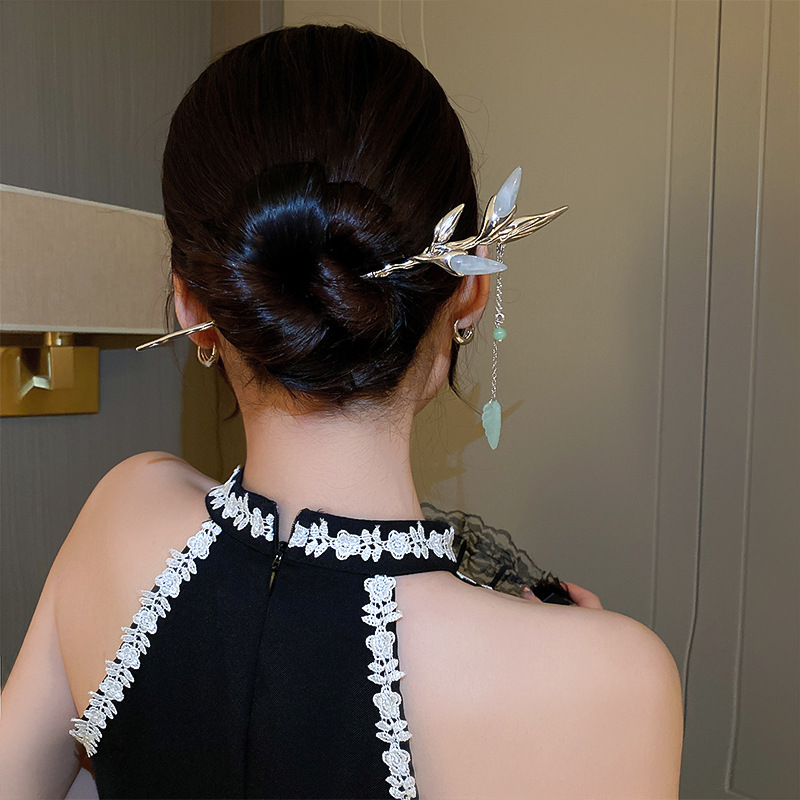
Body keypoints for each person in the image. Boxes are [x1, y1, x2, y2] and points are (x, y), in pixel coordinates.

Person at [0, 24, 683, 799]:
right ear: (469, 289)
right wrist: (572, 663)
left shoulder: (121, 512)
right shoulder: (611, 681)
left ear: (191, 307)